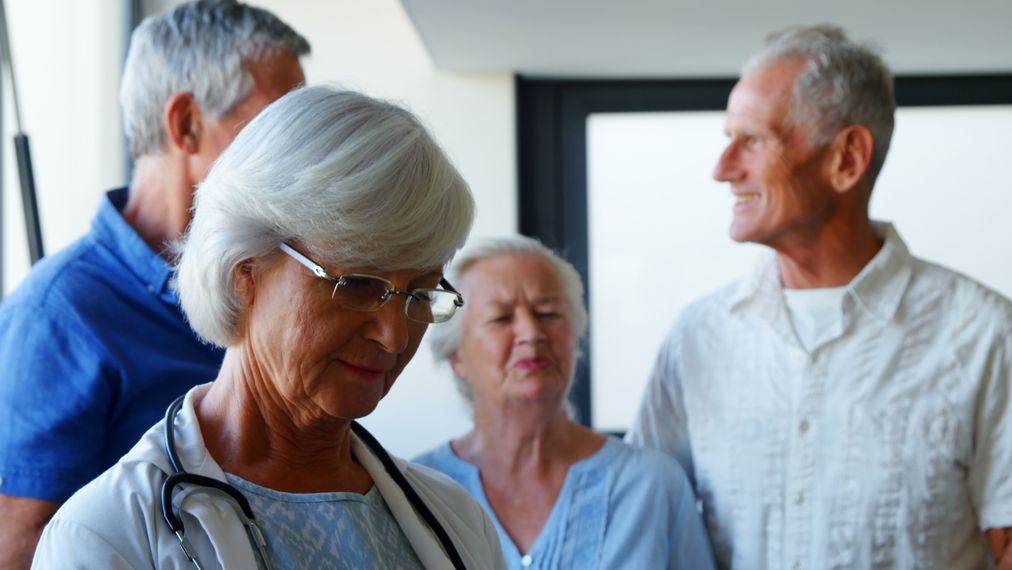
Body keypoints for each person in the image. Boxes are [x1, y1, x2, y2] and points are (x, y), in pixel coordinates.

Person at [628, 24, 1012, 569]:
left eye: (753, 140)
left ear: (847, 158)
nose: (722, 169)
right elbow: (640, 525)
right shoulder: (696, 338)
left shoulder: (987, 336)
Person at [31, 85, 504, 568]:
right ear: (245, 269)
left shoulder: (458, 523)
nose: (394, 336)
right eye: (359, 284)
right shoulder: (106, 536)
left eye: (419, 295)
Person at [0, 2, 308, 566]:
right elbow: (19, 548)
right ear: (186, 123)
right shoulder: (58, 316)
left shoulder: (267, 285)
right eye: (272, 125)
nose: (296, 152)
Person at [414, 235, 716, 570]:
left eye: (548, 313)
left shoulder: (652, 486)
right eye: (501, 318)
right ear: (456, 355)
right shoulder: (416, 491)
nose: (531, 332)